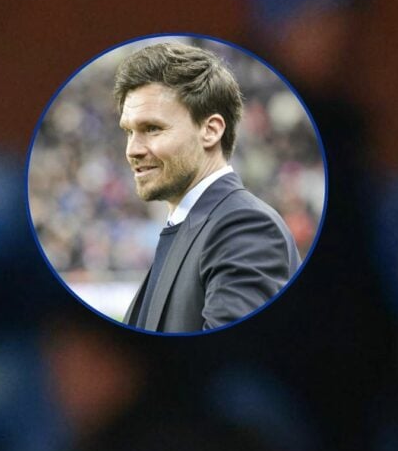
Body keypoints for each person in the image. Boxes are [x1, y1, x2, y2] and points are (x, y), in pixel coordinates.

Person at [116, 42, 299, 333]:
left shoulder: (244, 225)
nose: (132, 150)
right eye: (129, 131)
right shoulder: (189, 226)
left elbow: (229, 356)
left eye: (152, 129)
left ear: (210, 130)